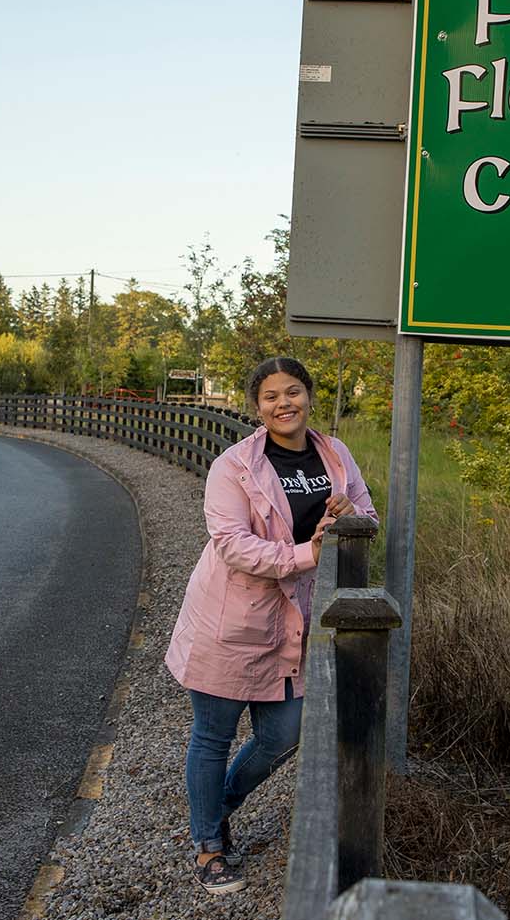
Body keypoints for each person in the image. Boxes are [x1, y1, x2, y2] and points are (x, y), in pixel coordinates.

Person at [163, 356, 377, 895]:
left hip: (294, 620)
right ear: (256, 406)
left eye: (294, 392)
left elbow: (368, 517)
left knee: (284, 734)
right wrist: (309, 553)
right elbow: (232, 544)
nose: (284, 404)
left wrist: (346, 513)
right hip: (229, 619)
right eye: (271, 396)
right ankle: (209, 846)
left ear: (309, 395)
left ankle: (217, 806)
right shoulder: (233, 466)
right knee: (213, 736)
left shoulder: (334, 453)